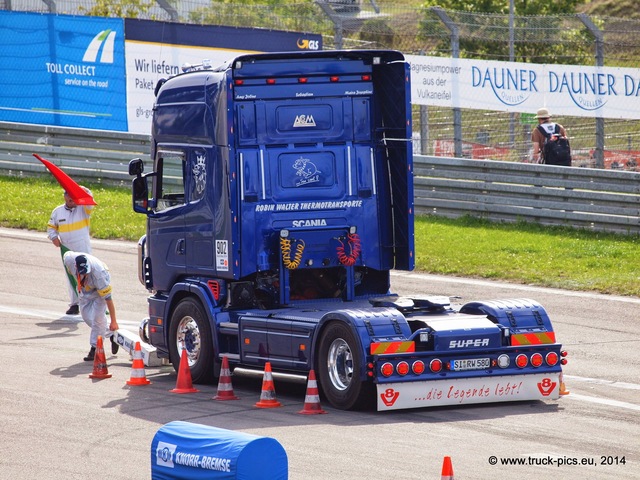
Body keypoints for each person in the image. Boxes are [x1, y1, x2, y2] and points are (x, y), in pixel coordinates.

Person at [62, 251, 120, 361]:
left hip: (98, 291)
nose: (85, 275)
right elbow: (66, 254)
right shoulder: (69, 260)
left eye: (86, 272)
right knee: (87, 318)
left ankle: (94, 349)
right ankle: (112, 334)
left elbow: (109, 299)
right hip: (84, 290)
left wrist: (113, 321)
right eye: (82, 272)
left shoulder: (99, 276)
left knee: (98, 318)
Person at [47, 187, 94, 315]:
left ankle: (91, 302)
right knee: (71, 276)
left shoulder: (83, 208)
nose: (71, 199)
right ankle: (75, 304)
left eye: (74, 196)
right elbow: (51, 228)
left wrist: (81, 189)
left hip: (82, 246)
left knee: (86, 274)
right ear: (65, 197)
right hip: (67, 248)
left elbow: (90, 200)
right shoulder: (57, 211)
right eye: (69, 196)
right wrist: (53, 237)